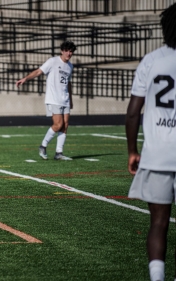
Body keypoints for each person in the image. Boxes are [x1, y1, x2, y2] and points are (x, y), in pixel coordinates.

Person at [126, 3, 176, 281]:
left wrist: (132, 151)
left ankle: (157, 278)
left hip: (157, 155)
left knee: (158, 223)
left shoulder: (152, 60)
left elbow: (133, 112)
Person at [15, 41, 77, 160]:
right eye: (67, 51)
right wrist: (25, 79)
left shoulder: (70, 66)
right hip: (54, 99)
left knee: (65, 125)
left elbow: (68, 83)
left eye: (71, 51)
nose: (69, 53)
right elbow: (39, 71)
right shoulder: (53, 61)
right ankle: (43, 145)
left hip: (65, 99)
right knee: (58, 124)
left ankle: (59, 153)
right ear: (62, 51)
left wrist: (71, 98)